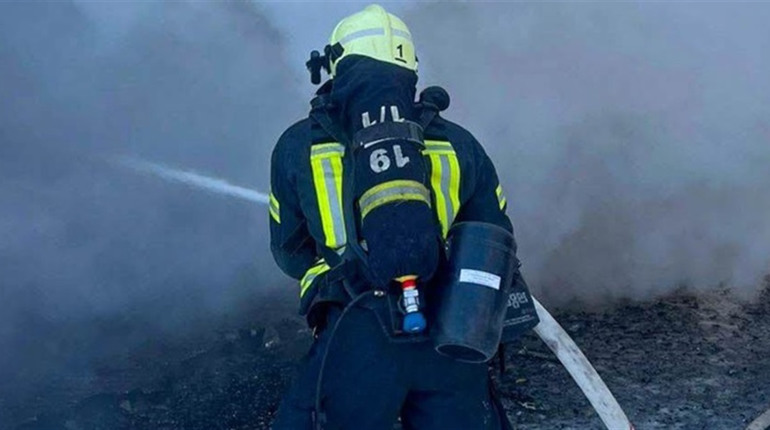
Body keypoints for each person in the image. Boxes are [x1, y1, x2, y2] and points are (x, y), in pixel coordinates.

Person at [269, 4, 526, 429]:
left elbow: (288, 252)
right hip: (451, 334)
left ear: (337, 66)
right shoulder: (460, 144)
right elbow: (496, 241)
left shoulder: (299, 146)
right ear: (409, 69)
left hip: (355, 329)